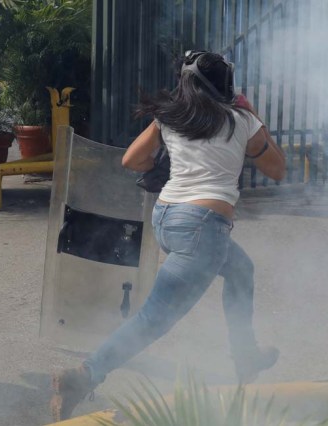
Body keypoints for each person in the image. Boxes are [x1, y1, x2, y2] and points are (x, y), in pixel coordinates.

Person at [49, 50, 287, 421]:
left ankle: (245, 355)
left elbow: (132, 161)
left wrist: (178, 159)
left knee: (241, 270)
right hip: (203, 230)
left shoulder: (170, 118)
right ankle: (85, 375)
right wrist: (254, 116)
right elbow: (278, 169)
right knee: (153, 321)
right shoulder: (242, 120)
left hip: (168, 219)